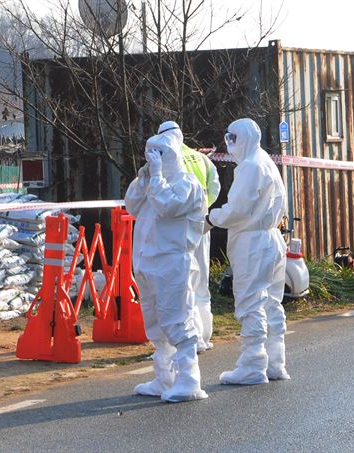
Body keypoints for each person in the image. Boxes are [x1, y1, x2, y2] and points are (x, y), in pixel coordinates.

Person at [124, 126, 208, 402]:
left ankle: (189, 380)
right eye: (152, 154)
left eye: (161, 154)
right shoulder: (154, 183)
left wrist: (157, 177)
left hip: (173, 264)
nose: (155, 158)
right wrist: (143, 178)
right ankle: (164, 377)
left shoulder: (187, 184)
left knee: (178, 320)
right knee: (156, 323)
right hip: (147, 264)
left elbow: (167, 207)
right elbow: (132, 206)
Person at [206, 118, 290, 384]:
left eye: (232, 139)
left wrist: (212, 218)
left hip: (253, 242)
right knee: (271, 302)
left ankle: (253, 365)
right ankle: (275, 363)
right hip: (273, 239)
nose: (229, 145)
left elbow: (238, 209)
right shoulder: (265, 162)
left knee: (250, 302)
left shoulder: (251, 166)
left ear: (243, 138)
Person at [157, 121, 221, 352]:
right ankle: (205, 335)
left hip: (180, 228)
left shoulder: (167, 158)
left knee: (185, 280)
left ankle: (190, 336)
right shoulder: (200, 157)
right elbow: (215, 186)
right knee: (201, 277)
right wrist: (203, 208)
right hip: (201, 223)